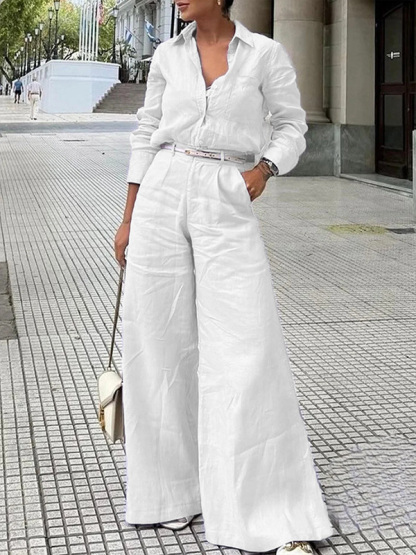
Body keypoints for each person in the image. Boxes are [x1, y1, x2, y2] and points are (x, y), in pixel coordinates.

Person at [114, 1, 335, 554]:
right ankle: (170, 495)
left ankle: (261, 504)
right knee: (158, 344)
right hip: (162, 188)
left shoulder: (264, 54)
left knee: (245, 343)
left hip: (224, 188)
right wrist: (129, 216)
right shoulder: (167, 55)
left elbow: (292, 125)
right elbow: (146, 131)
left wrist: (264, 169)